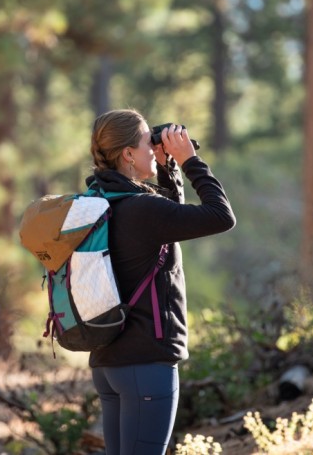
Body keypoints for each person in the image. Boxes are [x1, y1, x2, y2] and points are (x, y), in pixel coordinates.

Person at [87, 108, 236, 455]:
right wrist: (189, 161)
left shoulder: (101, 201)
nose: (151, 149)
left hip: (108, 362)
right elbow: (221, 216)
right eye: (145, 143)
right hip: (145, 365)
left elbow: (170, 227)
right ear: (127, 154)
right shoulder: (142, 210)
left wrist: (167, 170)